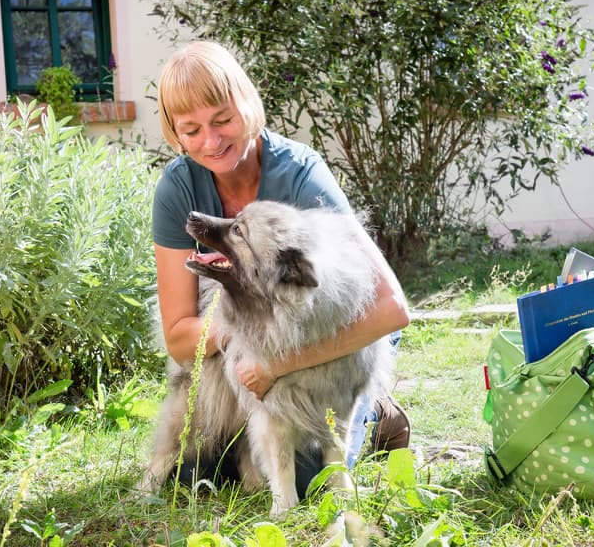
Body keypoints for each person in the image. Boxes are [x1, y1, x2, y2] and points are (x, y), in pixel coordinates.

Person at [151, 40, 411, 491]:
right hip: (244, 350)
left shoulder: (301, 174)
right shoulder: (178, 189)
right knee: (195, 475)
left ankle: (375, 411)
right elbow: (179, 338)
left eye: (223, 120)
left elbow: (391, 309)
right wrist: (250, 331)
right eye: (191, 130)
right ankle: (242, 432)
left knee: (309, 481)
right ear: (175, 132)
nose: (211, 141)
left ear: (247, 104)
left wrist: (273, 365)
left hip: (328, 344)